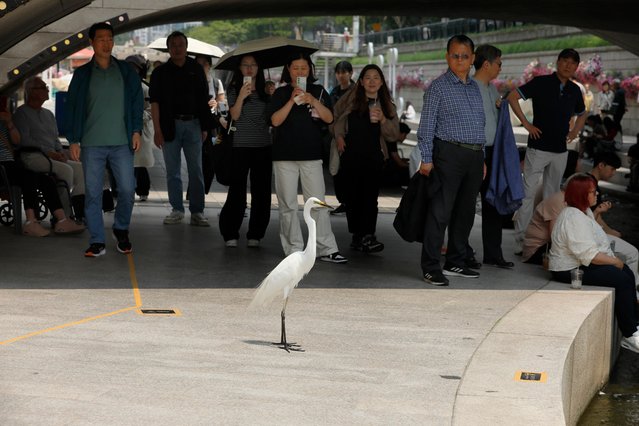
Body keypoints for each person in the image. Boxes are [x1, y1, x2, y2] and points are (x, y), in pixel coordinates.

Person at [64, 21, 143, 257]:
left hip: (122, 142)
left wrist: (136, 130)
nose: (106, 43)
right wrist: (74, 140)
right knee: (93, 193)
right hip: (91, 143)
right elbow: (72, 108)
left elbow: (137, 101)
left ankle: (121, 230)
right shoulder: (83, 74)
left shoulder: (126, 71)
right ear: (92, 42)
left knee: (128, 190)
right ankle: (97, 240)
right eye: (101, 39)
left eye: (109, 38)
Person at [417, 34, 485, 286]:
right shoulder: (438, 87)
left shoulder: (475, 87)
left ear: (473, 59)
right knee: (440, 212)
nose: (460, 60)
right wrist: (426, 158)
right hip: (448, 154)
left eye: (464, 56)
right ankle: (431, 266)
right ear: (447, 57)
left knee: (465, 213)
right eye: (455, 55)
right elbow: (427, 126)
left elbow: (480, 123)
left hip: (474, 156)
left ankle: (456, 260)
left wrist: (482, 157)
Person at [268, 52, 347, 263]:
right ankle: (293, 249)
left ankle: (326, 247)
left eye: (304, 68)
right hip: (284, 156)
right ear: (288, 70)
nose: (300, 71)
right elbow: (275, 121)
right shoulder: (281, 93)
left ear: (310, 70)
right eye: (296, 68)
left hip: (311, 155)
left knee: (318, 203)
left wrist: (312, 100)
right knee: (288, 204)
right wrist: (292, 101)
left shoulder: (319, 91)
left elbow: (329, 118)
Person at [548, 174, 639, 353]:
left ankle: (635, 325)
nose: (596, 194)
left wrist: (617, 263)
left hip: (580, 263)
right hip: (568, 269)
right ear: (581, 195)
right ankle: (630, 334)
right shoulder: (573, 217)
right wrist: (614, 261)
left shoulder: (583, 212)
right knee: (621, 278)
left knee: (627, 273)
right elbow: (588, 255)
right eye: (591, 192)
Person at [507, 48, 587, 254]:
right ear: (558, 62)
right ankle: (522, 240)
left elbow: (583, 113)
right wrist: (526, 125)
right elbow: (512, 97)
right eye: (565, 61)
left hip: (560, 150)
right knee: (527, 193)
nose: (568, 65)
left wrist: (575, 131)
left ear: (576, 67)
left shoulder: (575, 90)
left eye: (573, 63)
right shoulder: (541, 82)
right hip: (538, 147)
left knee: (553, 197)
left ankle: (545, 239)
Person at [332, 64, 400, 253]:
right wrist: (338, 136)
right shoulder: (350, 99)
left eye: (376, 77)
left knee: (370, 199)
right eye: (367, 77)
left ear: (381, 82)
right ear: (361, 81)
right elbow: (335, 117)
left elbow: (394, 134)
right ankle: (357, 235)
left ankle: (368, 235)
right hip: (351, 155)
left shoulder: (387, 104)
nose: (371, 81)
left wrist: (384, 121)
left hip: (374, 157)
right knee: (352, 198)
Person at [149, 31, 212, 227]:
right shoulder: (160, 73)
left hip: (194, 124)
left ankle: (197, 211)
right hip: (170, 126)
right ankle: (177, 209)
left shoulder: (196, 69)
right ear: (169, 48)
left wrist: (205, 126)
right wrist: (157, 130)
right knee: (172, 171)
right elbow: (155, 103)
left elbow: (203, 99)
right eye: (173, 45)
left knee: (196, 170)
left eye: (181, 45)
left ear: (186, 47)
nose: (177, 48)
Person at [1, 104, 84, 236]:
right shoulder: (23, 113)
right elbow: (24, 142)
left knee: (46, 180)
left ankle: (62, 220)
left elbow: (16, 141)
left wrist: (9, 122)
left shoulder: (4, 124)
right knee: (29, 176)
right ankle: (30, 222)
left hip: (12, 162)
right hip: (3, 165)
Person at [13, 77, 86, 221]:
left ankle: (79, 209)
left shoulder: (48, 114)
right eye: (43, 87)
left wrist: (59, 152)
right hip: (32, 157)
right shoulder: (21, 113)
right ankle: (63, 216)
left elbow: (55, 138)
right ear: (31, 92)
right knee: (66, 170)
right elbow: (25, 140)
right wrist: (50, 153)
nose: (47, 90)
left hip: (51, 156)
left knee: (82, 169)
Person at [218, 55, 272, 248]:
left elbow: (272, 118)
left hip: (263, 146)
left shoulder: (267, 90)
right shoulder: (233, 89)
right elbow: (234, 115)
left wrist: (272, 95)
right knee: (237, 191)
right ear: (240, 69)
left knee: (262, 192)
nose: (249, 69)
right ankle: (230, 232)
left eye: (253, 65)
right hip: (239, 146)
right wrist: (241, 95)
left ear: (259, 68)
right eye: (245, 66)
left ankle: (256, 233)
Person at [471, 44, 514, 269]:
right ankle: (461, 251)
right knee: (467, 205)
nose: (500, 68)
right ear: (486, 64)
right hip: (473, 151)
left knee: (493, 205)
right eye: (499, 63)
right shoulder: (469, 87)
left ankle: (493, 253)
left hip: (493, 152)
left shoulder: (492, 89)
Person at [586, 152, 639, 285]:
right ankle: (631, 287)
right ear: (601, 165)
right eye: (612, 169)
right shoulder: (588, 183)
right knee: (633, 253)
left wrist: (609, 230)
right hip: (588, 234)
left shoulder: (590, 182)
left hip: (591, 230)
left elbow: (593, 215)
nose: (613, 173)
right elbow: (591, 216)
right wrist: (610, 232)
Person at [124, 55, 154, 202]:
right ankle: (122, 190)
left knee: (140, 163)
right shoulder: (120, 86)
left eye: (133, 67)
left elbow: (150, 110)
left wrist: (139, 116)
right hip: (123, 128)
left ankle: (143, 190)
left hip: (141, 129)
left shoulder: (145, 88)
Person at [328, 60, 355, 216]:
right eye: (338, 72)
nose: (341, 75)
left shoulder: (356, 91)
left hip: (351, 136)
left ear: (350, 73)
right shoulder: (334, 92)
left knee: (348, 170)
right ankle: (343, 201)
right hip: (335, 135)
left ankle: (350, 201)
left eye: (344, 72)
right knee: (336, 170)